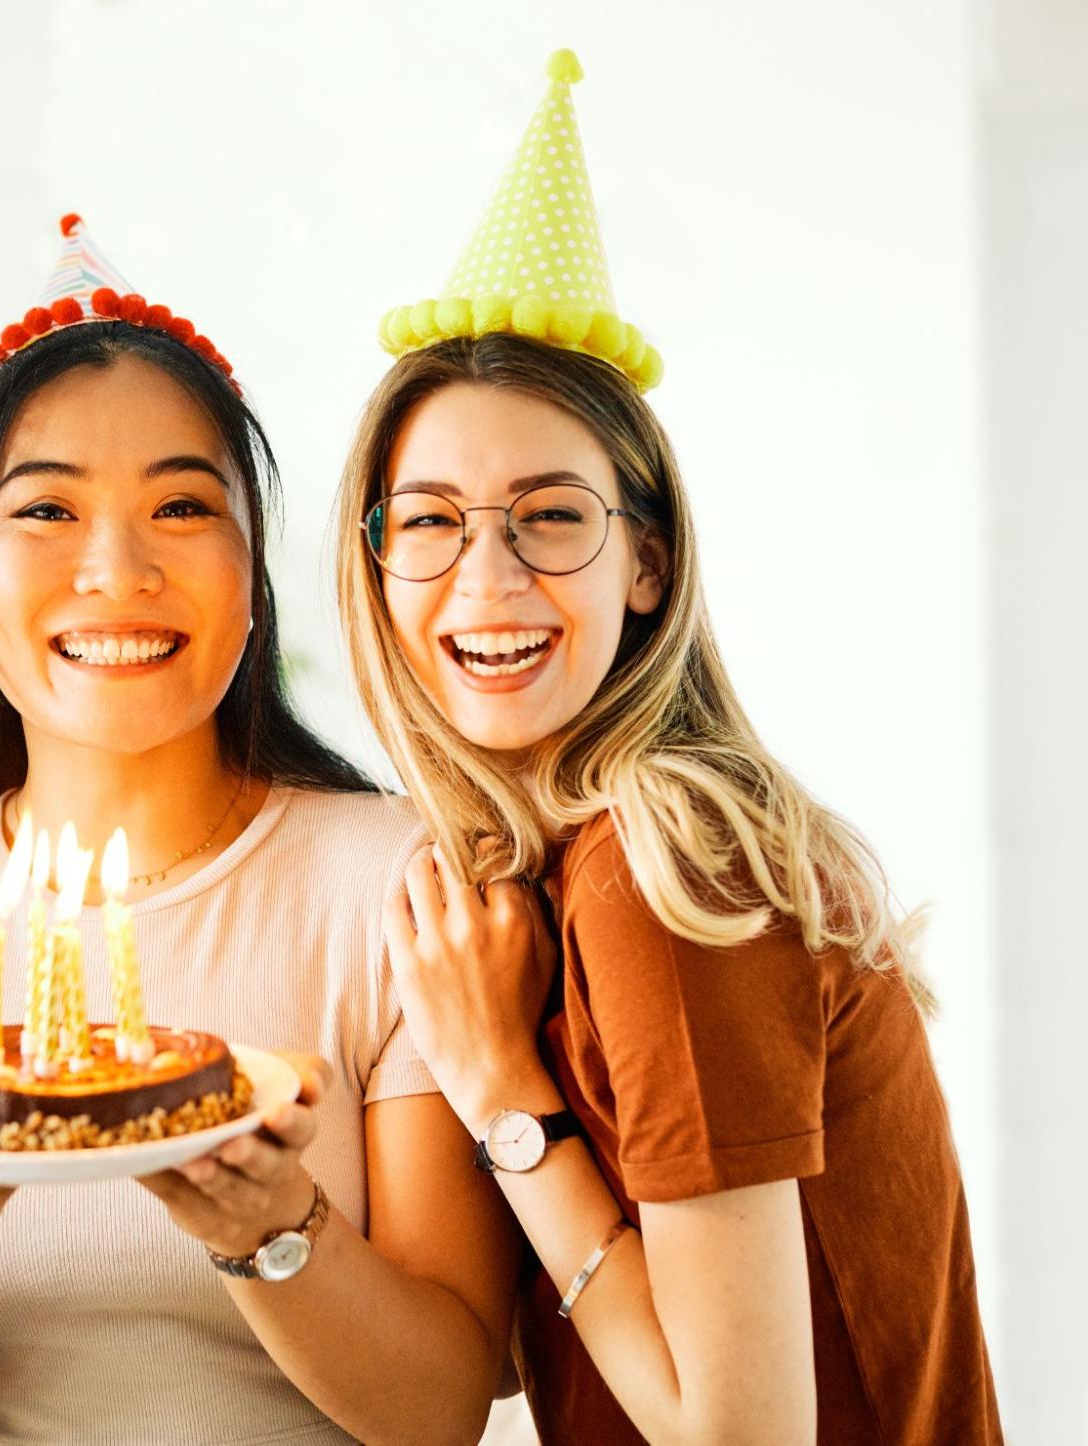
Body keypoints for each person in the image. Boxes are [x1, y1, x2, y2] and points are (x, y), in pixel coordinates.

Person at [0, 216, 520, 1446]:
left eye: (179, 505)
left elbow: (439, 1410)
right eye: (47, 512)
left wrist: (265, 1223)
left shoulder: (398, 885)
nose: (115, 570)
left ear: (252, 567)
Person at [336, 53, 999, 1444]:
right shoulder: (555, 869)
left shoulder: (659, 869)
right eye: (430, 520)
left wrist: (504, 1099)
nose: (486, 579)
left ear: (642, 561)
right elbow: (533, 1356)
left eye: (547, 515)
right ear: (376, 562)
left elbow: (731, 1432)